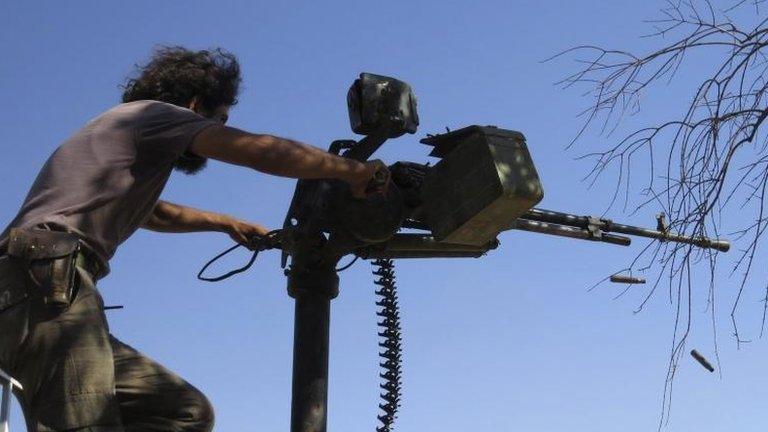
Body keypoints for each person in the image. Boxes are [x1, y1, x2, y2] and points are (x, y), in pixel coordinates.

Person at [0, 46, 386, 432]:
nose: (218, 127)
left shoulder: (121, 135)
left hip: (31, 287)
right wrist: (352, 172)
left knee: (183, 412)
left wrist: (223, 222)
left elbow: (156, 213)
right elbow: (259, 151)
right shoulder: (157, 115)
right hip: (46, 280)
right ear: (194, 103)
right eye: (217, 119)